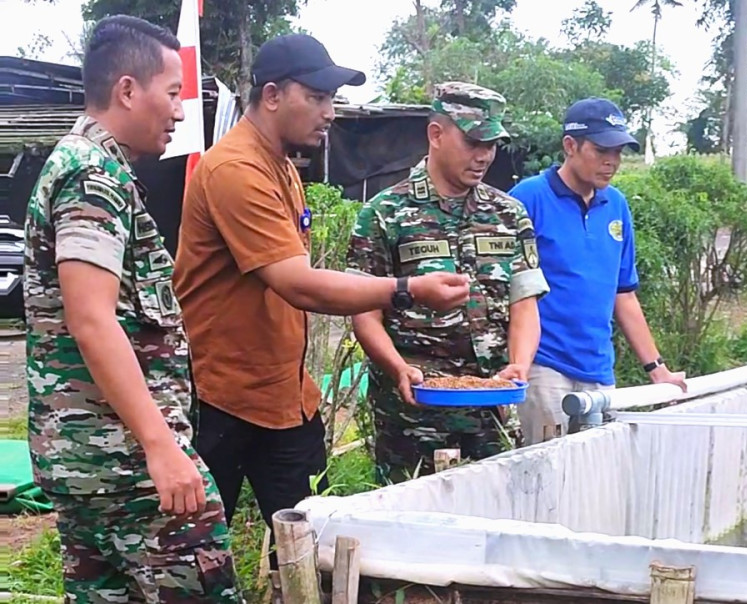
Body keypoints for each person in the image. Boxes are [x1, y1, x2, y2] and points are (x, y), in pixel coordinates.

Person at [172, 34, 469, 567]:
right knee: (195, 561)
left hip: (284, 399)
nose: (330, 113)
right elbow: (298, 283)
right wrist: (406, 289)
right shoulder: (235, 170)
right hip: (223, 398)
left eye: (332, 99)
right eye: (316, 97)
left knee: (316, 550)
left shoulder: (282, 162)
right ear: (271, 95)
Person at [23, 15, 241, 602]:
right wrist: (160, 446)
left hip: (93, 462)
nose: (178, 111)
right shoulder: (93, 176)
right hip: (130, 469)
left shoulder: (88, 166)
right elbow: (90, 318)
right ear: (127, 90)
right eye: (173, 93)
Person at [346, 82, 550, 484]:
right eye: (474, 142)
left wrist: (519, 366)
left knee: (492, 525)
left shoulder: (509, 215)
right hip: (412, 414)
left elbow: (524, 304)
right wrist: (398, 367)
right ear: (436, 134)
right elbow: (363, 313)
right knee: (411, 529)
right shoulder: (385, 214)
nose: (484, 156)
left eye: (491, 145)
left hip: (489, 411)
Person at [508, 97, 687, 446]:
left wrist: (657, 368)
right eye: (602, 149)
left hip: (599, 370)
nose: (612, 162)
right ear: (570, 146)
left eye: (619, 152)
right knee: (547, 478)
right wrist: (518, 364)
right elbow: (503, 288)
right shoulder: (528, 199)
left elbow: (624, 293)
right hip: (544, 368)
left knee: (592, 479)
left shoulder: (615, 204)